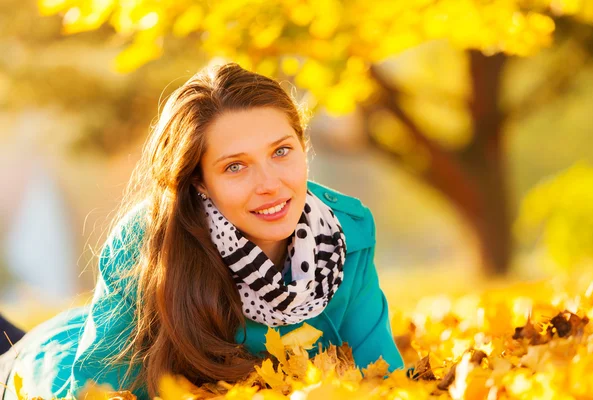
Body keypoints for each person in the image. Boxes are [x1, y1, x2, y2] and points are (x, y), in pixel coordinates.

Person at [0, 63, 404, 400]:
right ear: (199, 183)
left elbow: (383, 378)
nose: (270, 183)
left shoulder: (346, 234)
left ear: (302, 148)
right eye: (235, 166)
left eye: (281, 152)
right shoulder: (147, 242)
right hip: (50, 367)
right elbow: (100, 393)